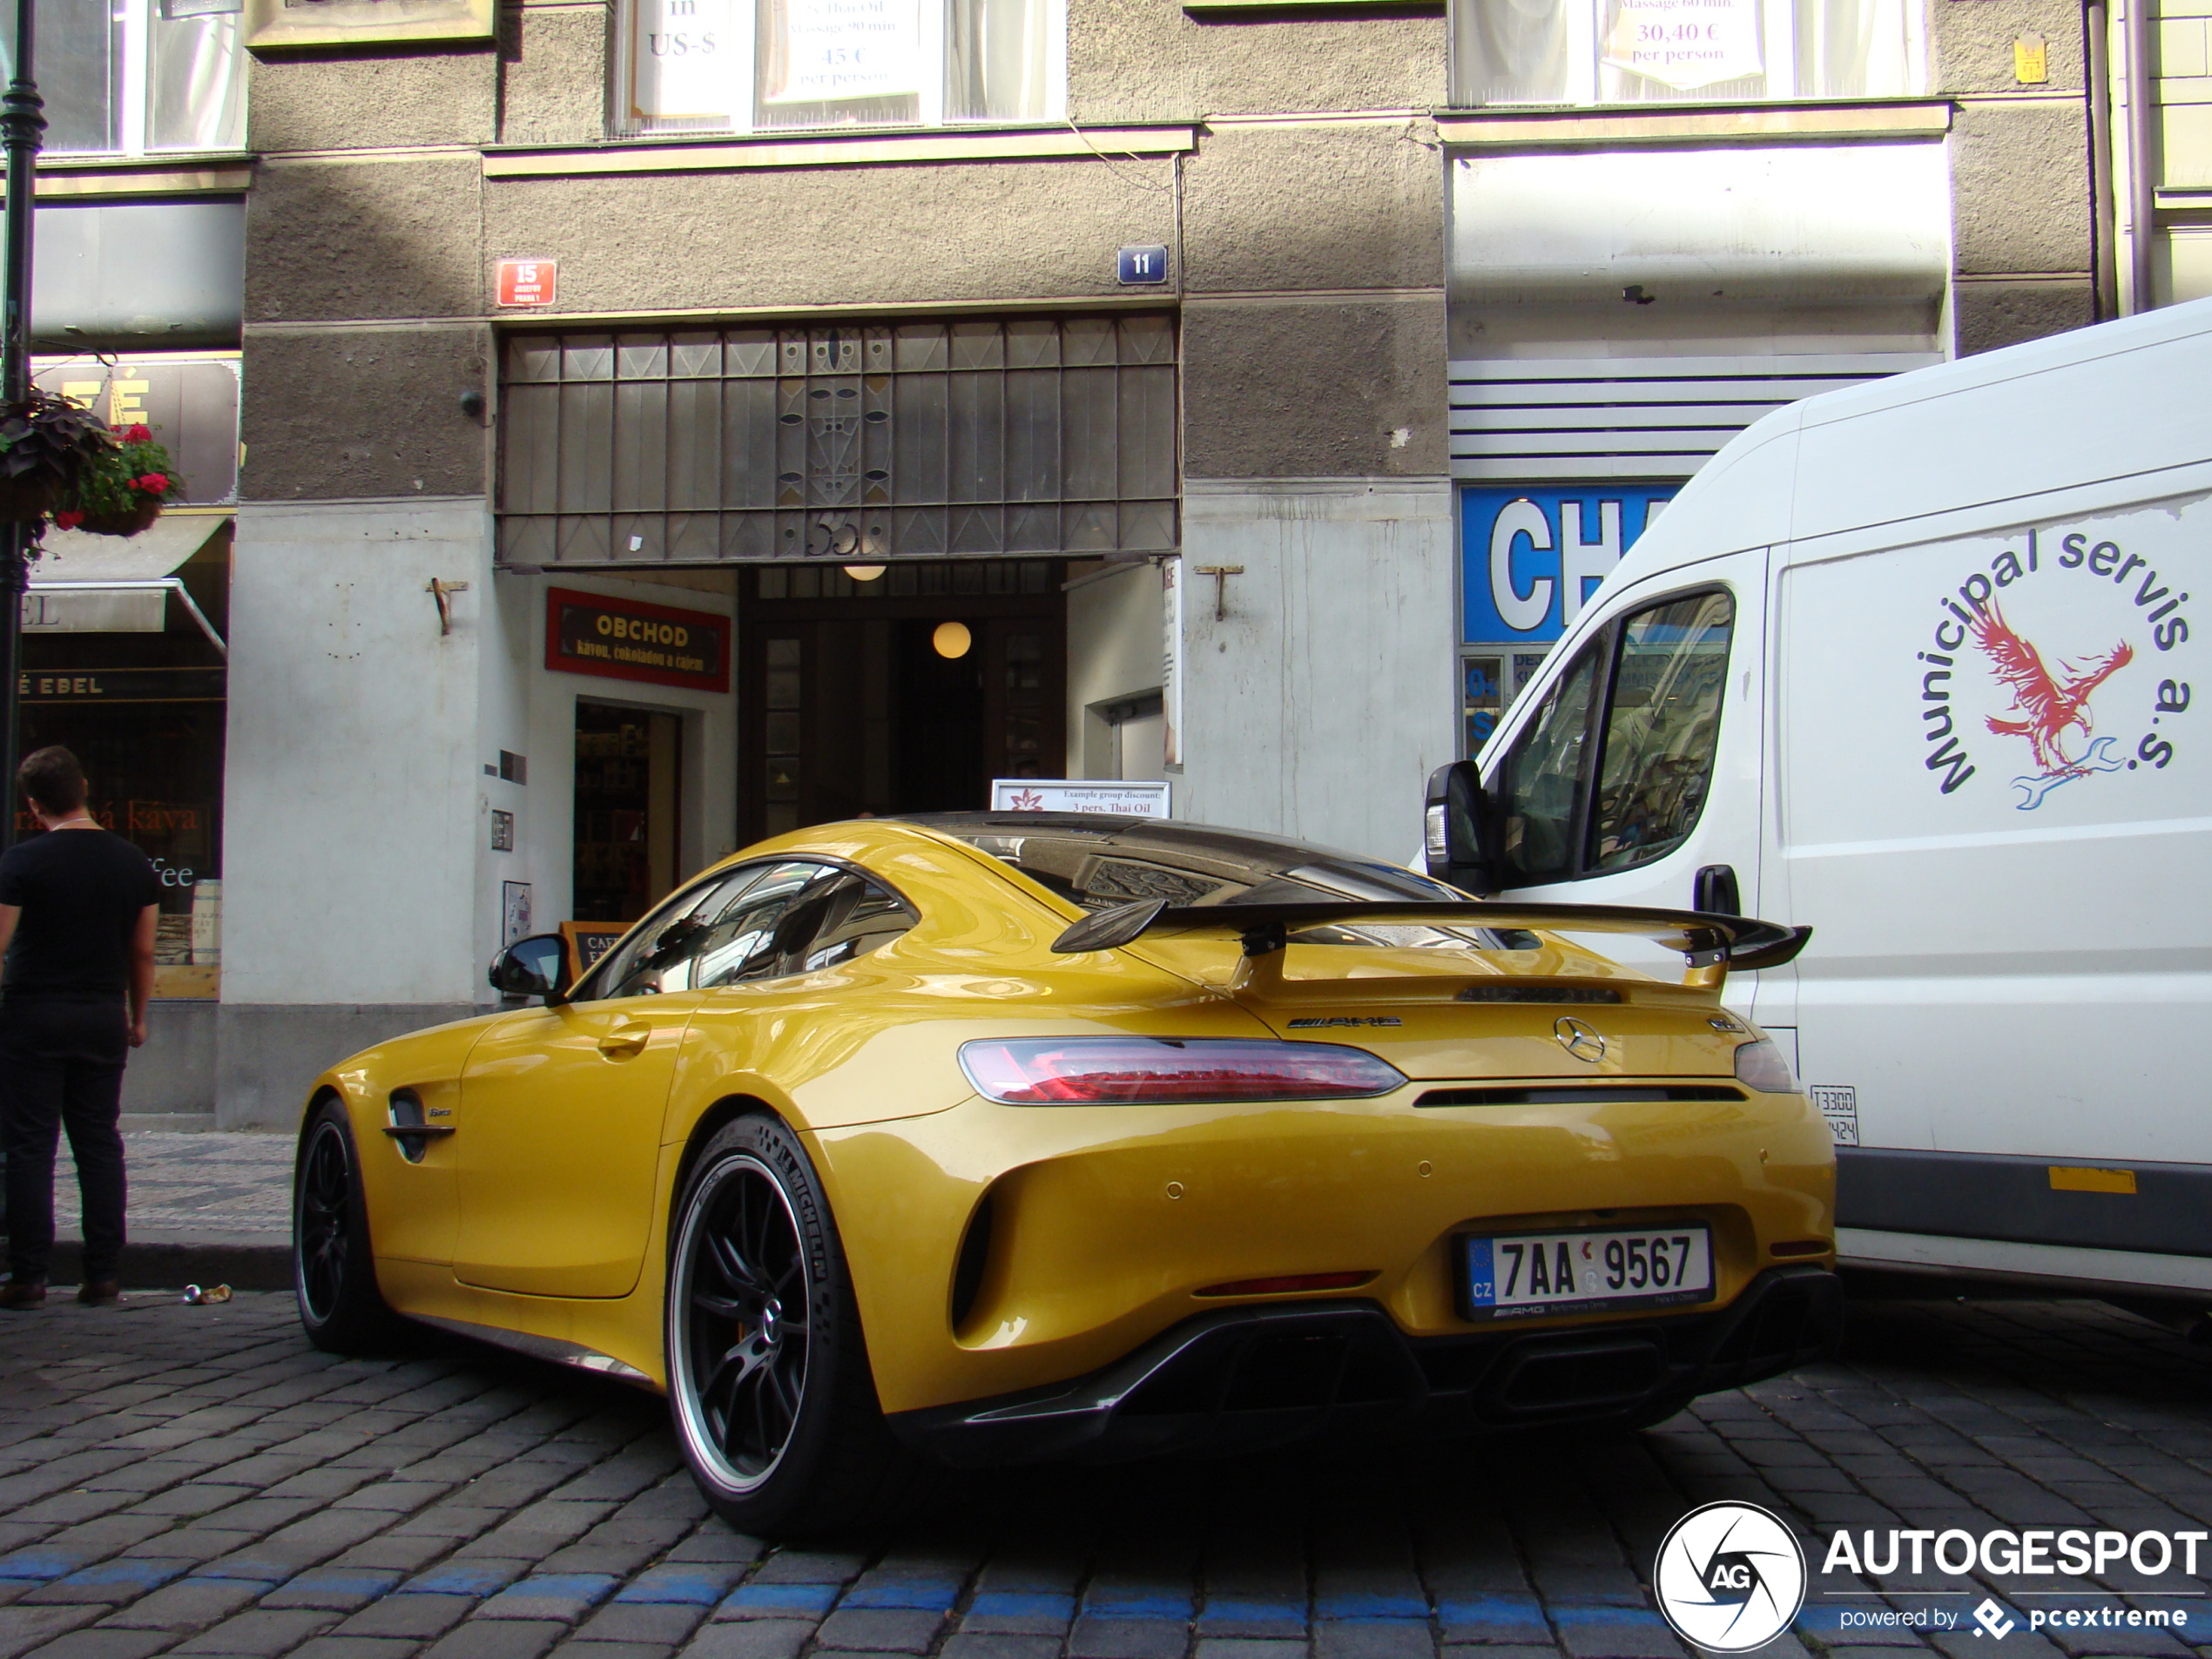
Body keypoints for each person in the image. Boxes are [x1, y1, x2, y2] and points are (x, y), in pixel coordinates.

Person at [0, 747, 159, 1310]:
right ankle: (103, 1273)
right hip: (100, 1015)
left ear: (34, 803)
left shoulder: (22, 862)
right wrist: (137, 1015)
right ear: (85, 786)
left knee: (29, 1145)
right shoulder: (132, 862)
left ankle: (29, 1274)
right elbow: (142, 952)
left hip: (32, 1013)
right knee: (97, 1141)